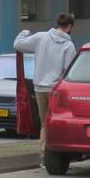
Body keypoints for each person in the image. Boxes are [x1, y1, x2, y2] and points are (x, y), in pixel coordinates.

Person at [13, 13, 76, 165]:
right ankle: (58, 155)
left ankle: (43, 157)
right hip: (56, 90)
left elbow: (18, 44)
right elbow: (68, 71)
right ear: (69, 27)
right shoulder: (69, 46)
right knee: (59, 122)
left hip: (40, 88)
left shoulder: (41, 37)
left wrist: (24, 32)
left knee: (44, 123)